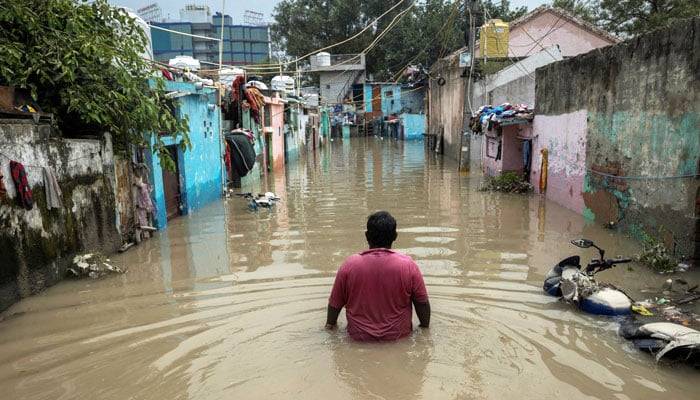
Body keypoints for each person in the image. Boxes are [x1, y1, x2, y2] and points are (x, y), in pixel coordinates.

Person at [325, 211, 430, 341]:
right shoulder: (408, 266)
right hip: (397, 340)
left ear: (367, 235)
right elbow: (422, 304)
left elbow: (334, 305)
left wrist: (330, 326)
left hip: (359, 340)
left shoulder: (349, 265)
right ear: (395, 236)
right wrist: (424, 329)